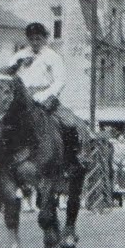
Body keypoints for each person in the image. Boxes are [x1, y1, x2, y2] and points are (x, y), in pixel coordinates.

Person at [6, 22, 85, 176]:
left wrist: (43, 96)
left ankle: (72, 159)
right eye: (31, 39)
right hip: (22, 99)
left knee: (69, 122)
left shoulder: (52, 57)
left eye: (38, 39)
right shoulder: (20, 55)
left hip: (46, 98)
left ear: (44, 38)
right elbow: (9, 75)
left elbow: (60, 81)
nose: (35, 42)